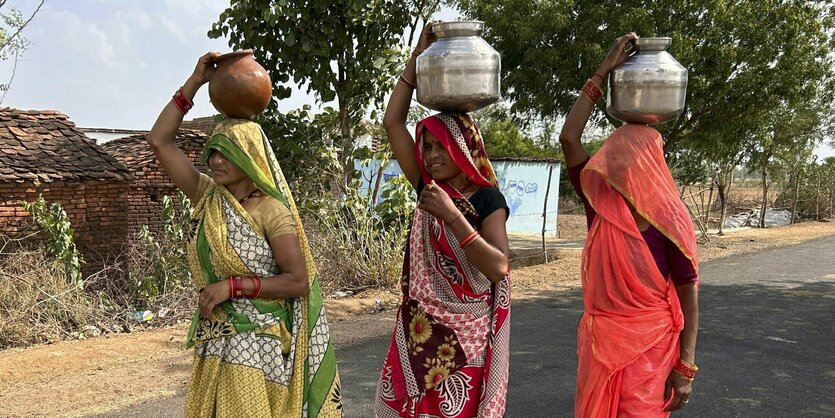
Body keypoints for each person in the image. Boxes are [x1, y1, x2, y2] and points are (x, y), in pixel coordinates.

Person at [146, 52, 342, 418]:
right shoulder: (207, 195)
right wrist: (194, 82)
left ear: (251, 157)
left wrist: (232, 287)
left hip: (258, 343)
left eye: (227, 153)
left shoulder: (271, 210)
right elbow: (159, 140)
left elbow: (298, 282)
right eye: (213, 152)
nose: (215, 160)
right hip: (216, 340)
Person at [374, 22, 512, 418]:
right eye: (427, 146)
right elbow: (392, 123)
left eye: (441, 146)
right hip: (419, 331)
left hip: (464, 342)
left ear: (464, 149)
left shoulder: (487, 199)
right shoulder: (427, 188)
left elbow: (498, 266)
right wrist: (417, 58)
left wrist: (453, 217)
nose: (431, 155)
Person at [559, 34, 701, 417]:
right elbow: (569, 137)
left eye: (630, 159)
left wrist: (685, 368)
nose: (620, 168)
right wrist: (603, 72)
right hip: (601, 348)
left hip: (652, 354)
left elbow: (689, 300)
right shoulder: (601, 206)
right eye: (616, 158)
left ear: (651, 166)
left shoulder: (672, 222)